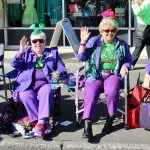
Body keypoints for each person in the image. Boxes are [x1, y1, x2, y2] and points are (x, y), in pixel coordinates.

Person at [77, 9, 132, 139]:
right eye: (106, 30)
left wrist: (125, 65)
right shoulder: (94, 42)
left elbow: (129, 60)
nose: (110, 33)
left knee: (112, 90)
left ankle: (110, 118)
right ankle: (87, 125)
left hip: (113, 74)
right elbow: (81, 58)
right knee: (90, 92)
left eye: (113, 30)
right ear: (101, 31)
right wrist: (83, 42)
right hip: (95, 74)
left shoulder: (122, 44)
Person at [11, 24, 67, 138]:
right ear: (31, 43)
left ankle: (40, 122)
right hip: (27, 85)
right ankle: (41, 124)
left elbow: (62, 68)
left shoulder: (52, 53)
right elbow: (14, 64)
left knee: (46, 91)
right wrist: (21, 51)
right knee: (25, 95)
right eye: (35, 41)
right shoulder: (26, 53)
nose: (38, 43)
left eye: (40, 41)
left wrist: (58, 73)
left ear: (44, 42)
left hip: (45, 83)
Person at [131, 0, 150, 67]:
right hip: (146, 28)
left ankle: (130, 64)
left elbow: (137, 12)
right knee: (148, 48)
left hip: (142, 28)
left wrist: (134, 4)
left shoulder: (147, 2)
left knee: (138, 48)